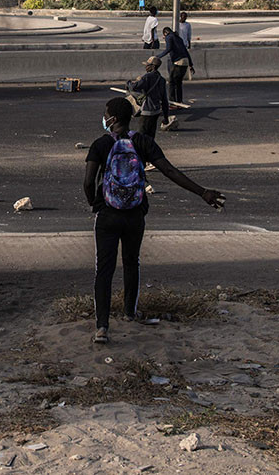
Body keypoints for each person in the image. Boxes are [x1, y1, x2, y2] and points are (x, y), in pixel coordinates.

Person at [83, 97, 224, 343]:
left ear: (113, 119)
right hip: (135, 214)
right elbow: (170, 171)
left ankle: (102, 327)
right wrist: (202, 192)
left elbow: (88, 181)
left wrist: (95, 202)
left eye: (106, 115)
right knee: (131, 262)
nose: (104, 118)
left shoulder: (100, 144)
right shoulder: (143, 142)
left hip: (107, 214)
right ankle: (129, 313)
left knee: (103, 270)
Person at [127, 56, 169, 139]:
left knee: (142, 136)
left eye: (147, 65)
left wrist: (128, 83)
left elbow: (134, 87)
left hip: (147, 111)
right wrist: (166, 117)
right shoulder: (162, 80)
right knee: (151, 136)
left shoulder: (147, 77)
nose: (146, 67)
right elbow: (164, 100)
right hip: (156, 111)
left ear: (153, 67)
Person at [155, 26, 194, 105]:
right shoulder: (178, 38)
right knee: (179, 83)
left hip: (178, 62)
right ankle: (179, 101)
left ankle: (172, 102)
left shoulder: (169, 37)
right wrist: (191, 65)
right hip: (185, 61)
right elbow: (186, 51)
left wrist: (158, 56)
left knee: (172, 82)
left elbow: (168, 49)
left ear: (165, 33)